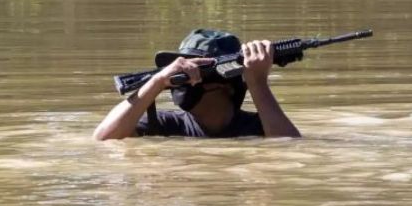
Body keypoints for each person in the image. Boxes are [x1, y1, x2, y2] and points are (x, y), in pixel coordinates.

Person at [93, 29, 301, 140]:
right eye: (179, 71)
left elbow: (287, 148)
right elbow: (104, 138)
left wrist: (257, 83)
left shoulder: (261, 126)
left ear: (226, 85)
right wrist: (157, 82)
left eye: (193, 74)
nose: (181, 82)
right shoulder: (165, 125)